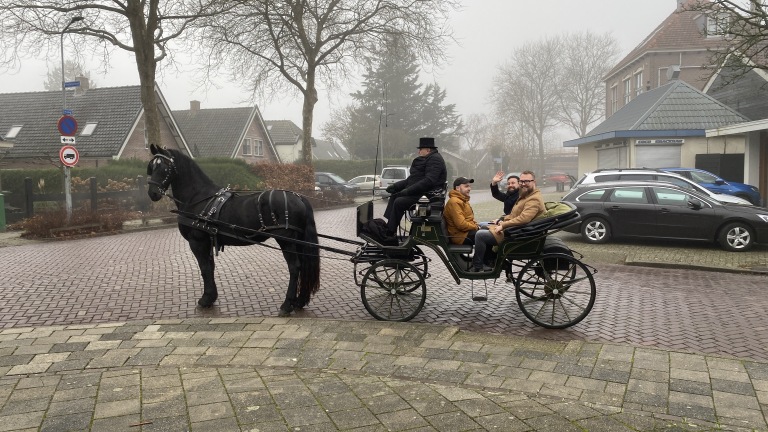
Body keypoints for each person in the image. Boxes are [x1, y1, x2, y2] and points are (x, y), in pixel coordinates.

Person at [471, 170, 545, 272]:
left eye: (526, 181)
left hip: (518, 233)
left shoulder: (533, 199)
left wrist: (503, 225)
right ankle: (488, 260)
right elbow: (514, 213)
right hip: (516, 229)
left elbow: (524, 218)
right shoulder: (526, 195)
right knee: (484, 227)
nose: (523, 184)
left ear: (534, 182)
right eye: (522, 181)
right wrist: (502, 220)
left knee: (480, 235)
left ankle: (477, 265)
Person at [383, 137, 447, 238]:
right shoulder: (430, 158)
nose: (419, 152)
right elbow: (412, 180)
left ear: (428, 149)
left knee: (399, 202)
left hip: (429, 197)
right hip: (425, 194)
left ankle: (389, 232)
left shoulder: (435, 159)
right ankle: (389, 226)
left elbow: (429, 181)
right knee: (394, 195)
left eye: (420, 149)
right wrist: (395, 186)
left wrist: (408, 191)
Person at [443, 177, 480, 245]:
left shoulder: (463, 199)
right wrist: (475, 227)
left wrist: (477, 225)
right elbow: (461, 224)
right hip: (460, 237)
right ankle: (481, 256)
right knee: (486, 237)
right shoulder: (454, 202)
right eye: (466, 186)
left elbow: (469, 218)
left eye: (469, 186)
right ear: (457, 188)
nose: (469, 189)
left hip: (465, 233)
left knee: (488, 230)